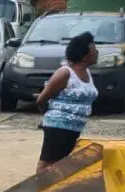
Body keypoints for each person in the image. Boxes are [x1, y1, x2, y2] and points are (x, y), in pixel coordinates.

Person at [35, 31, 99, 173]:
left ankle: (51, 191)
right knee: (48, 164)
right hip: (58, 126)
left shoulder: (86, 72)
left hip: (73, 128)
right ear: (84, 56)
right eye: (94, 50)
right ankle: (39, 191)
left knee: (60, 164)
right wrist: (48, 117)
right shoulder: (65, 73)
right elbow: (41, 100)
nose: (97, 52)